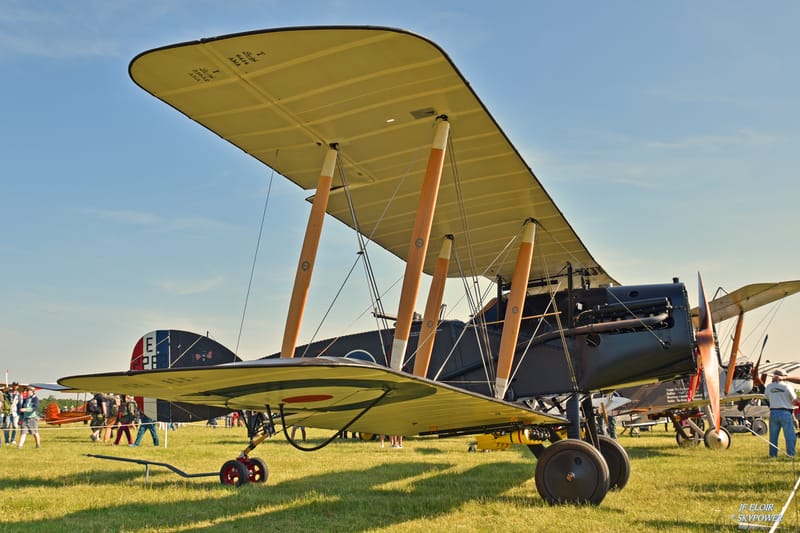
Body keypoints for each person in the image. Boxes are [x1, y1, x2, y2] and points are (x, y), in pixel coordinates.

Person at [764, 369, 797, 458]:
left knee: (773, 437)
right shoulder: (787, 386)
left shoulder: (769, 386)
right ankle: (791, 454)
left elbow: (766, 396)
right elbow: (794, 398)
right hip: (786, 412)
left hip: (773, 412)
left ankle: (773, 455)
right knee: (790, 436)